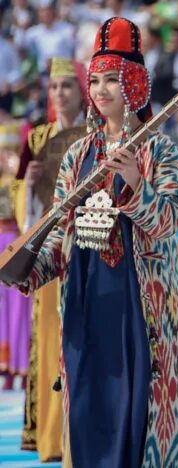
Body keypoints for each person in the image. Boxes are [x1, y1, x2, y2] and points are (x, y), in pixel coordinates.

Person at [14, 16, 178, 466]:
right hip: (86, 295)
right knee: (91, 400)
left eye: (111, 80)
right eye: (94, 80)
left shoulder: (159, 149)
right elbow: (60, 229)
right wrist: (27, 270)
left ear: (133, 83)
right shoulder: (79, 154)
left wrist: (136, 182)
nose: (100, 90)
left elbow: (171, 220)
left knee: (138, 407)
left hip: (138, 302)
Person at [14, 57, 87, 462]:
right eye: (55, 87)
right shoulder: (38, 137)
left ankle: (84, 432)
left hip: (88, 248)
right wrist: (28, 182)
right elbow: (19, 203)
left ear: (82, 90)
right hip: (48, 254)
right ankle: (54, 436)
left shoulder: (96, 134)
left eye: (67, 86)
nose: (60, 94)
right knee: (50, 343)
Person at [0, 121, 28, 390]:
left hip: (15, 242)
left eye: (10, 149)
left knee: (19, 308)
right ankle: (5, 367)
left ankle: (21, 366)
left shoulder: (23, 182)